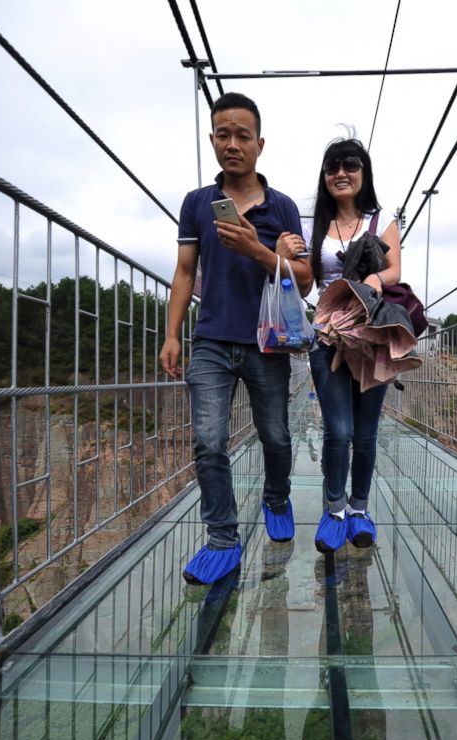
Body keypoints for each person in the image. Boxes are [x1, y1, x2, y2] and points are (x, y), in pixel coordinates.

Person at [160, 92, 313, 585]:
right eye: (223, 134)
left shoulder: (283, 207)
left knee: (276, 436)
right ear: (211, 139)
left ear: (259, 144)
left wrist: (259, 249)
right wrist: (172, 335)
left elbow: (305, 279)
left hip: (269, 342)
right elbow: (185, 272)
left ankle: (275, 497)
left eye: (242, 135)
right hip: (210, 340)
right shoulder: (197, 204)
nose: (232, 144)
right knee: (208, 442)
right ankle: (222, 539)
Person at [281, 138, 400, 554]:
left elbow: (395, 269)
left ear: (363, 173)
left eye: (350, 165)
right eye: (333, 166)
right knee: (339, 430)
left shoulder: (381, 219)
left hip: (371, 339)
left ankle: (359, 510)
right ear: (325, 176)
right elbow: (308, 283)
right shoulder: (316, 226)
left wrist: (374, 280)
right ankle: (333, 511)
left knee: (366, 434)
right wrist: (286, 258)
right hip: (328, 336)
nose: (341, 172)